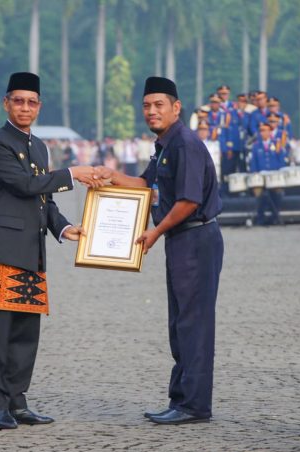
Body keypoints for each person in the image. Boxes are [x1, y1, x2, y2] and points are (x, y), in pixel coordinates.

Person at [0, 71, 102, 430]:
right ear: (6, 103)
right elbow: (23, 184)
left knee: (26, 333)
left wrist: (63, 227)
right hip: (2, 249)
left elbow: (42, 198)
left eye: (32, 102)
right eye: (18, 100)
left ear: (39, 106)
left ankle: (18, 402)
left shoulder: (39, 146)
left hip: (32, 250)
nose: (25, 107)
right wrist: (73, 173)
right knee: (0, 332)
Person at [95, 76, 223, 425]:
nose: (151, 111)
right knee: (180, 323)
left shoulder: (184, 143)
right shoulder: (165, 146)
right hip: (181, 240)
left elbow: (187, 201)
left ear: (176, 107)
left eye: (159, 105)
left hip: (195, 238)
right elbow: (142, 183)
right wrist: (108, 175)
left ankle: (195, 405)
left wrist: (154, 232)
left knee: (193, 324)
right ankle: (180, 399)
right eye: (147, 106)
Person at [250, 122, 287, 225]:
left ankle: (274, 217)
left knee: (277, 193)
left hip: (274, 175)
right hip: (261, 175)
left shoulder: (277, 143)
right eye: (261, 130)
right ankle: (260, 218)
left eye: (265, 130)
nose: (263, 133)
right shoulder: (256, 146)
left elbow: (281, 160)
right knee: (259, 194)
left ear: (270, 132)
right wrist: (255, 173)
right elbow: (253, 162)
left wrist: (280, 172)